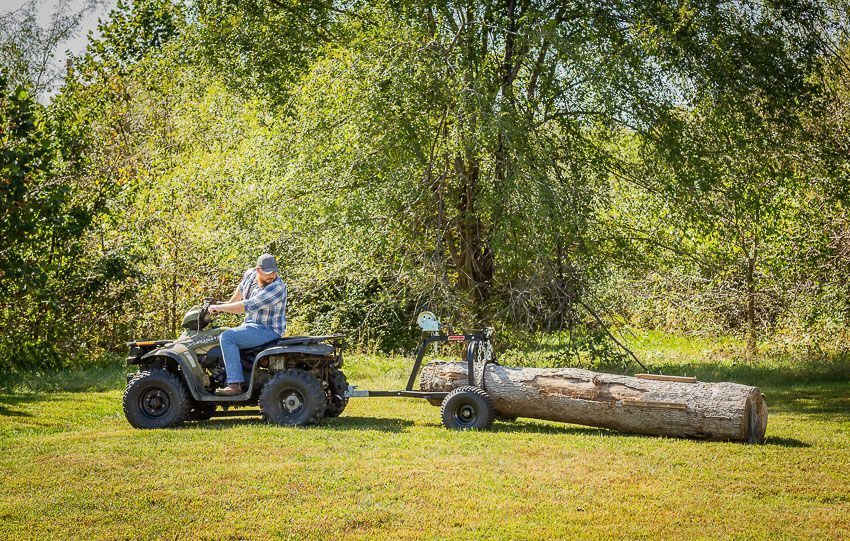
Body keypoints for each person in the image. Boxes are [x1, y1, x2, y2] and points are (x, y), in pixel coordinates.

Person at [208, 253, 287, 396]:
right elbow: (241, 288)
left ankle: (234, 384)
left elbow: (247, 305)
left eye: (274, 272)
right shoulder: (250, 274)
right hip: (250, 325)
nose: (272, 276)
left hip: (268, 329)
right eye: (268, 273)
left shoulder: (277, 287)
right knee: (219, 334)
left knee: (227, 337)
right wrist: (227, 304)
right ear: (258, 270)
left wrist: (221, 308)